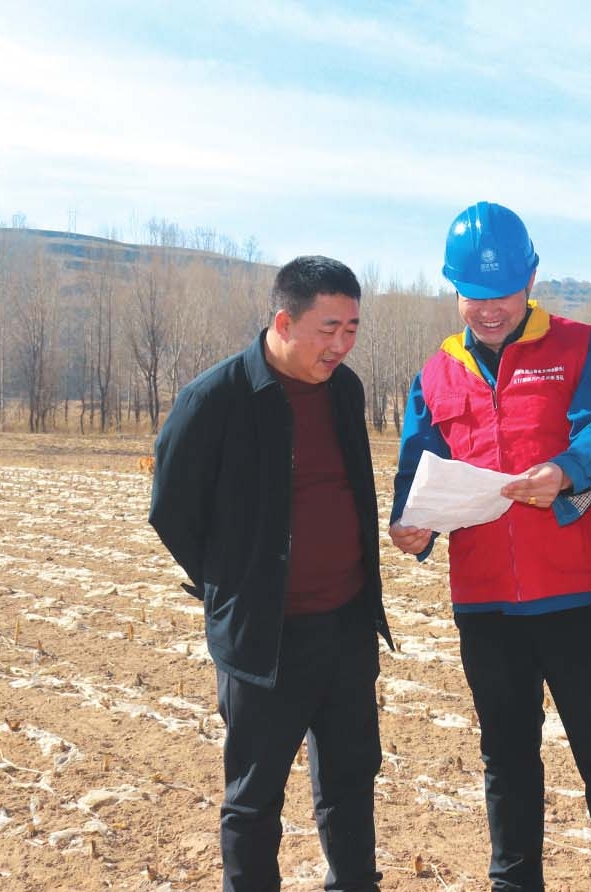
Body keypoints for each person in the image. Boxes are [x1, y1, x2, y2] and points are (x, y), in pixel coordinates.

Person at [389, 201, 591, 892]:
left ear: (531, 280)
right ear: (453, 288)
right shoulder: (435, 372)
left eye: (503, 292)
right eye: (473, 295)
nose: (488, 309)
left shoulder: (579, 346)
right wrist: (410, 526)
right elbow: (415, 467)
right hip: (485, 605)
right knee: (506, 761)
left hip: (577, 596)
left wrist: (566, 471)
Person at [150, 256, 392, 892]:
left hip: (346, 627)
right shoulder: (215, 399)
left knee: (350, 783)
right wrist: (234, 584)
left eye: (352, 328)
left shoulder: (345, 389)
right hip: (266, 639)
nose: (342, 344)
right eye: (328, 328)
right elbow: (171, 511)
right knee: (254, 799)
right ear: (284, 322)